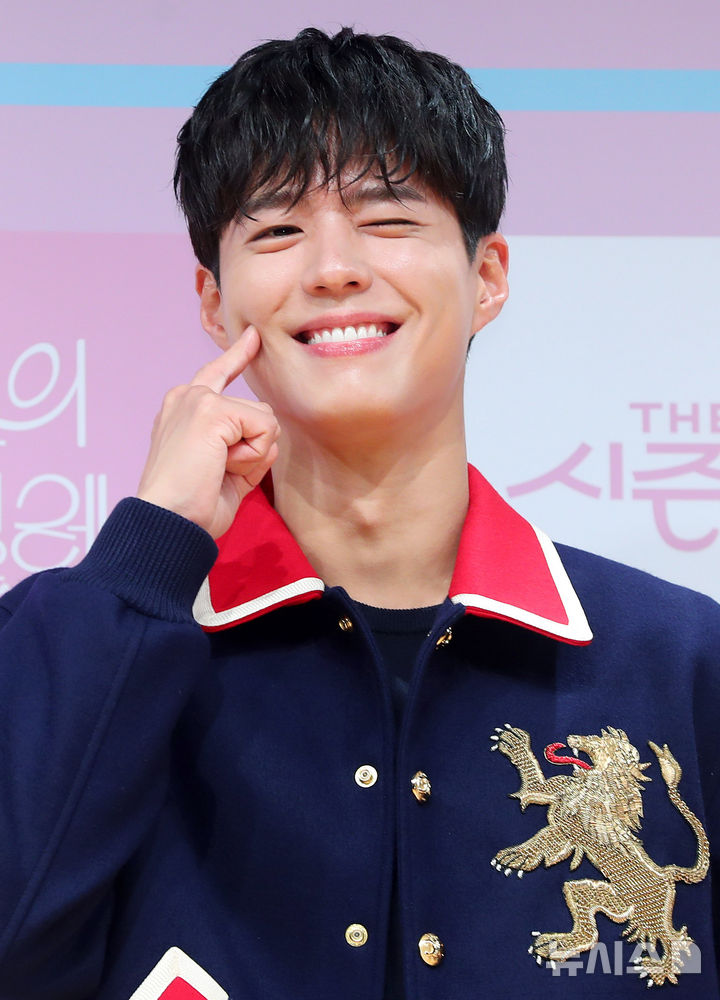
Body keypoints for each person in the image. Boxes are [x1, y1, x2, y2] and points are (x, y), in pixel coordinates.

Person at [0, 26, 718, 1000]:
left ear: (488, 277)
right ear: (214, 302)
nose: (333, 268)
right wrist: (152, 545)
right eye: (277, 231)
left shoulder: (679, 657)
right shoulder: (86, 642)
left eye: (386, 218)